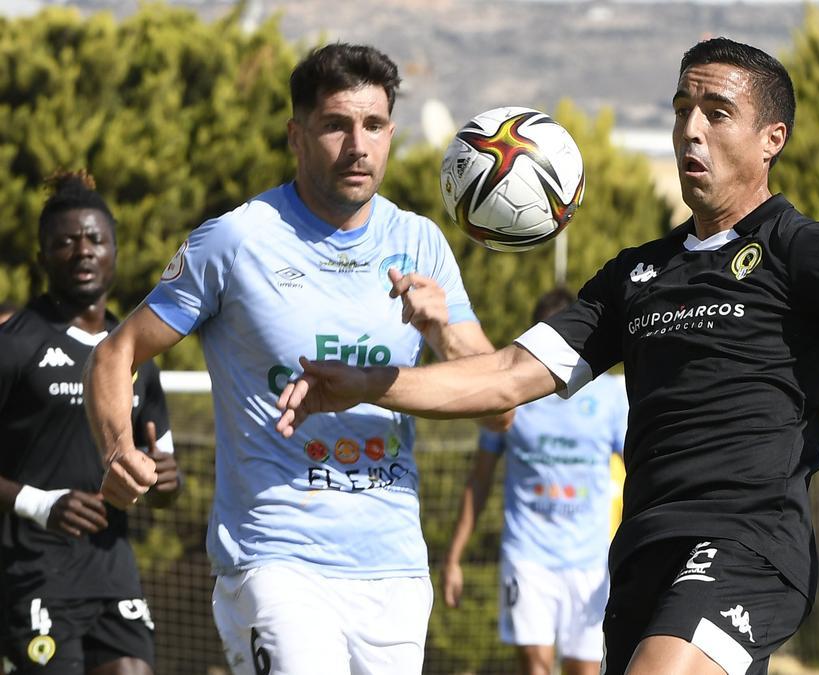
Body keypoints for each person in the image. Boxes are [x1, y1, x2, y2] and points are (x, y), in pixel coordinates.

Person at [284, 37, 819, 675]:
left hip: (748, 544)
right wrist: (364, 384)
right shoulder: (636, 273)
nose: (690, 128)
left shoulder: (802, 250)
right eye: (681, 108)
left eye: (717, 111)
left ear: (772, 140)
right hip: (640, 558)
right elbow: (505, 377)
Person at [83, 43, 507, 675]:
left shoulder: (420, 242)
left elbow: (498, 408)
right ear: (296, 135)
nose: (358, 145)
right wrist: (119, 450)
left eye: (375, 125)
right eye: (336, 124)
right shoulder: (235, 240)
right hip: (275, 559)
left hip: (393, 568)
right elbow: (116, 353)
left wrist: (444, 329)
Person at [0, 171, 180, 675]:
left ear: (115, 252)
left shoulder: (135, 354)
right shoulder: (15, 343)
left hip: (112, 571)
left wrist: (167, 480)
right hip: (33, 572)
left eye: (95, 239)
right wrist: (40, 504)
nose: (83, 251)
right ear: (42, 259)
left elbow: (164, 482)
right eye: (65, 242)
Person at [442, 288, 628, 675]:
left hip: (590, 563)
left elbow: (644, 474)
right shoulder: (509, 397)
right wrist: (454, 556)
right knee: (535, 668)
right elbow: (479, 480)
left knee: (586, 670)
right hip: (527, 558)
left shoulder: (610, 395)